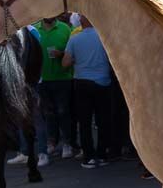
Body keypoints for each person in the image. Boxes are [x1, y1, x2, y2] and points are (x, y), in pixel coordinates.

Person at [62, 14, 113, 169]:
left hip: (82, 82)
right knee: (103, 120)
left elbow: (65, 63)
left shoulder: (74, 39)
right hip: (103, 81)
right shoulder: (103, 37)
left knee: (84, 122)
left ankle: (89, 156)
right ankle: (102, 154)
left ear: (81, 22)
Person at [34, 14, 76, 159]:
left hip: (63, 78)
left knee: (64, 112)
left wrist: (61, 54)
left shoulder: (65, 29)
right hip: (42, 79)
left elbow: (73, 52)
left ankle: (67, 143)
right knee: (48, 113)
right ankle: (52, 142)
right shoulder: (35, 29)